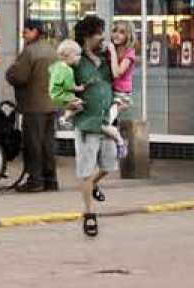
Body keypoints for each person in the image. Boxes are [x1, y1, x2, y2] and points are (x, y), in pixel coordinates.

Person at [70, 16, 116, 237]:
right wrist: (69, 100)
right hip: (86, 122)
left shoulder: (106, 59)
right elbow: (62, 84)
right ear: (87, 36)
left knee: (108, 166)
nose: (103, 37)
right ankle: (89, 213)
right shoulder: (77, 61)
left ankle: (93, 185)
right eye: (99, 33)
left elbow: (118, 75)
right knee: (86, 171)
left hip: (106, 122)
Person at [4, 20, 62, 192]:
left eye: (26, 31)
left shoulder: (30, 52)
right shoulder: (52, 50)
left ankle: (35, 180)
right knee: (48, 144)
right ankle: (51, 179)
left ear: (35, 31)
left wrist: (9, 74)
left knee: (33, 144)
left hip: (34, 105)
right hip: (51, 104)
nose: (23, 33)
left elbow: (18, 76)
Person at [105, 24, 138, 159]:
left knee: (103, 122)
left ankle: (120, 142)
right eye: (115, 31)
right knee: (106, 123)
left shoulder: (129, 53)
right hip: (110, 92)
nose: (117, 35)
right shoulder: (110, 50)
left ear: (128, 35)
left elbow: (117, 73)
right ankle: (114, 145)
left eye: (122, 32)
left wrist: (112, 52)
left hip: (121, 95)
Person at [49, 40, 83, 130]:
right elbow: (69, 86)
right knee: (80, 106)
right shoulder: (68, 70)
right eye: (77, 55)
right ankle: (64, 118)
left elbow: (50, 72)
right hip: (63, 96)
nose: (79, 58)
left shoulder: (56, 66)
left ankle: (63, 118)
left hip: (54, 95)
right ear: (68, 55)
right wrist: (80, 88)